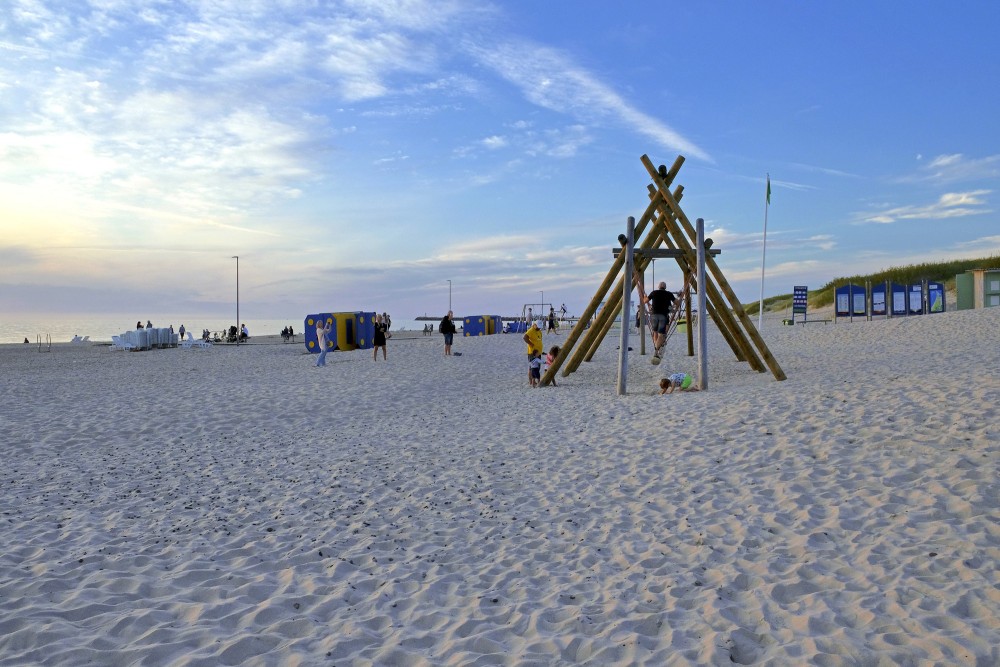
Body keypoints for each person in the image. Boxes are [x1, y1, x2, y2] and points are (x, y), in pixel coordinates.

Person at [646, 281, 676, 357]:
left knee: (655, 332)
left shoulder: (654, 292)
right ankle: (657, 349)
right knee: (661, 334)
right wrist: (680, 300)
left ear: (658, 287)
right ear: (665, 287)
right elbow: (674, 304)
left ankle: (657, 345)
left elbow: (645, 301)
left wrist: (644, 298)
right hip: (663, 316)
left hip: (654, 315)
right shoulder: (669, 294)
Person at [522, 320, 543, 384]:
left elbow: (539, 340)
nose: (539, 328)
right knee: (532, 367)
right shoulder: (531, 330)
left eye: (540, 327)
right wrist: (531, 344)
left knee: (537, 367)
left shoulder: (539, 331)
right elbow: (525, 337)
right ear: (534, 325)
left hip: (538, 352)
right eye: (538, 327)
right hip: (532, 353)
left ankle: (534, 380)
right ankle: (531, 381)